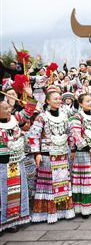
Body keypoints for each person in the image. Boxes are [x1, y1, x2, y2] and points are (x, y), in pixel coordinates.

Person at [30, 90, 75, 223]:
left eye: (59, 98)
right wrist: (37, 153)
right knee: (49, 184)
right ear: (48, 101)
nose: (58, 100)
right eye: (55, 99)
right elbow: (34, 136)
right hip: (47, 155)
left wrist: (72, 148)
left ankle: (63, 211)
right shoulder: (41, 117)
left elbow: (70, 133)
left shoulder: (65, 116)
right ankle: (48, 212)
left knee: (62, 182)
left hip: (62, 153)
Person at [0, 84, 36, 234]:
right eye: (4, 108)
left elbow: (29, 110)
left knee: (15, 192)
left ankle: (12, 221)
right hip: (2, 164)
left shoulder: (16, 119)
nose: (8, 110)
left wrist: (29, 95)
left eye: (8, 108)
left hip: (16, 161)